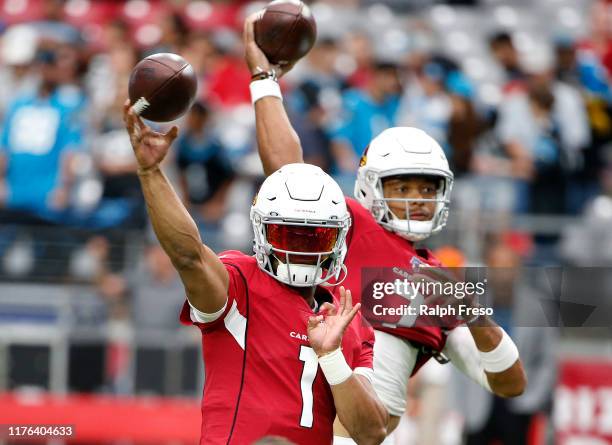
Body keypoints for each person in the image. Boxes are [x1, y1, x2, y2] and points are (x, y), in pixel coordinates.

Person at [242, 13, 527, 444]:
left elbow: (508, 383)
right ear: (371, 187)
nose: (416, 198)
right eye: (403, 187)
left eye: (426, 189)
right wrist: (264, 79)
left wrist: (475, 314)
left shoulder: (438, 286)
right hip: (301, 420)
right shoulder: (349, 224)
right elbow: (286, 170)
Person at [122, 103, 388, 445]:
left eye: (316, 237)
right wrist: (151, 173)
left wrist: (332, 356)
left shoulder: (348, 319)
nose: (300, 249)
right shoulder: (240, 284)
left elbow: (371, 433)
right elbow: (188, 256)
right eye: (287, 234)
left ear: (338, 239)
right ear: (263, 232)